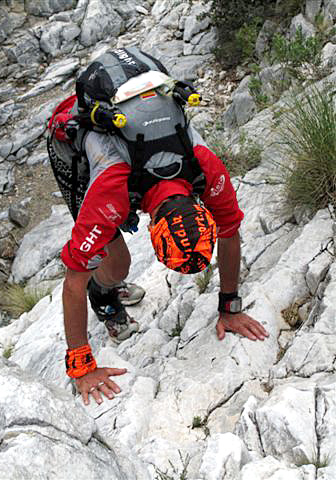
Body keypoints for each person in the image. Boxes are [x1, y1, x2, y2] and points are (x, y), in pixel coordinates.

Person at [60, 121, 269, 406]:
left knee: (113, 260)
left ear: (201, 208)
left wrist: (230, 308)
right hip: (73, 141)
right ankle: (102, 294)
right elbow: (73, 281)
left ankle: (109, 281)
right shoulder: (109, 193)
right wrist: (81, 367)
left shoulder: (206, 169)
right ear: (152, 230)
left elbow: (230, 231)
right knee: (118, 264)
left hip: (133, 151)